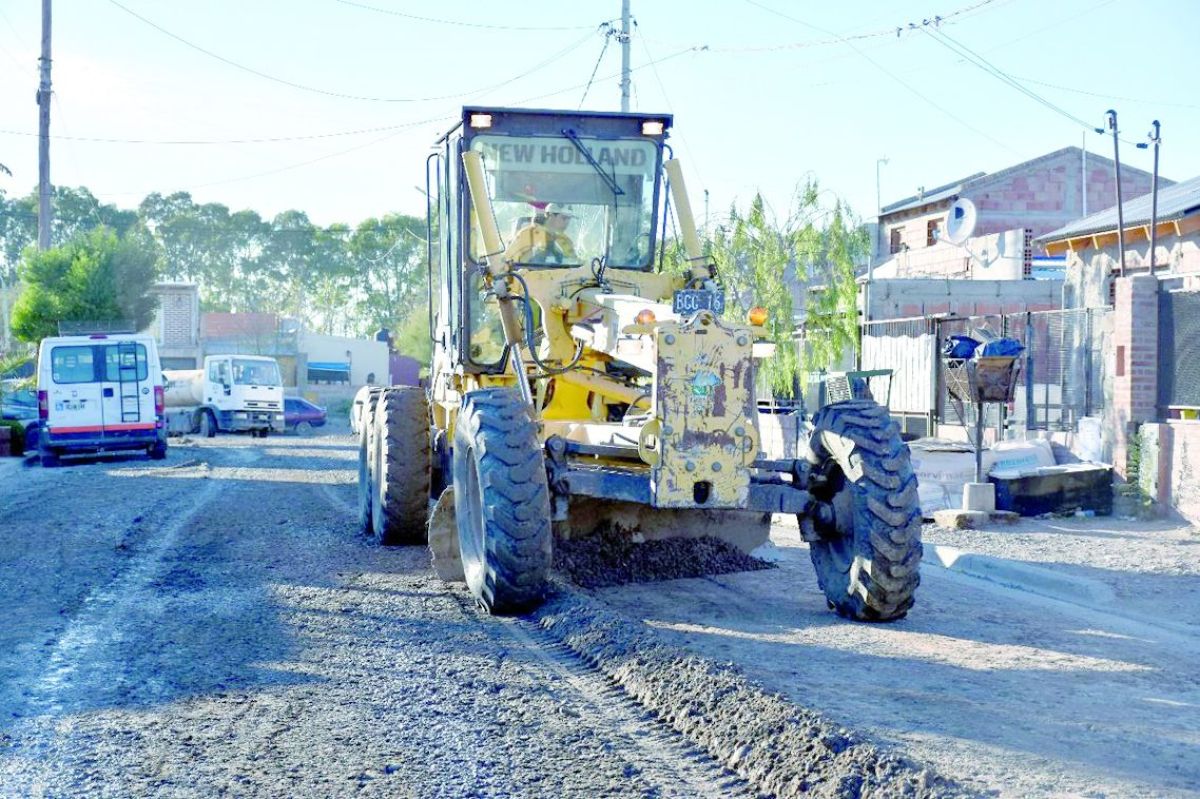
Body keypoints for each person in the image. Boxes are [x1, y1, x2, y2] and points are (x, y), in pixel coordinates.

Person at [504, 203, 577, 265]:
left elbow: (575, 263)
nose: (567, 223)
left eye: (569, 219)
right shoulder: (528, 235)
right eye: (564, 218)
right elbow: (508, 261)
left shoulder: (566, 241)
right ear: (550, 215)